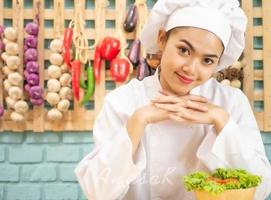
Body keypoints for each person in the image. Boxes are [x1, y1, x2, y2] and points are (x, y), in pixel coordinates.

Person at [75, 0, 271, 199]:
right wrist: (138, 120)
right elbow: (97, 192)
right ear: (162, 38)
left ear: (218, 63)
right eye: (184, 50)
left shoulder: (231, 103)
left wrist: (222, 122)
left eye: (207, 60)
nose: (191, 69)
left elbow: (261, 189)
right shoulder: (122, 102)